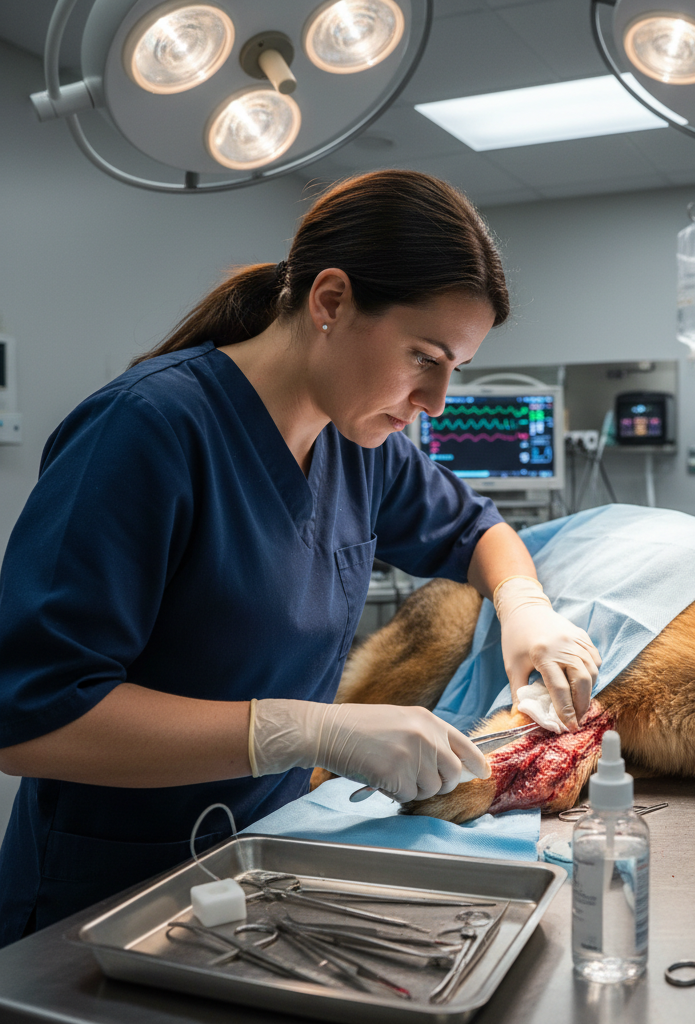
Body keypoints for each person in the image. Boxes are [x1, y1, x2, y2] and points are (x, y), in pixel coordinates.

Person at [0, 170, 601, 946]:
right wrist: (304, 731)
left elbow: (477, 530)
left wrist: (526, 609)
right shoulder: (146, 432)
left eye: (457, 367)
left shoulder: (359, 442)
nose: (438, 401)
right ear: (330, 301)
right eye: (423, 356)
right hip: (106, 895)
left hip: (267, 860)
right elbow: (30, 718)